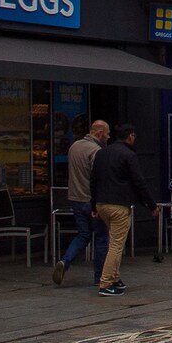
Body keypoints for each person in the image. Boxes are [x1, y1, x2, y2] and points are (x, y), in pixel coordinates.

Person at [90, 125, 157, 297]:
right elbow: (139, 181)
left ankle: (115, 278)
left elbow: (93, 180)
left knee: (114, 240)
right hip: (119, 205)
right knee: (116, 244)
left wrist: (93, 205)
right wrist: (151, 205)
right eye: (134, 135)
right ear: (130, 137)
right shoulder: (129, 155)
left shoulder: (101, 153)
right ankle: (105, 283)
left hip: (101, 204)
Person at [54, 119, 110, 287]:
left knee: (83, 234)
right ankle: (99, 276)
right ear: (99, 133)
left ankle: (65, 261)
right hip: (91, 200)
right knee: (101, 238)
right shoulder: (96, 151)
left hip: (75, 198)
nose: (108, 137)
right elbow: (97, 178)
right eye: (107, 133)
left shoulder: (74, 147)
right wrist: (98, 203)